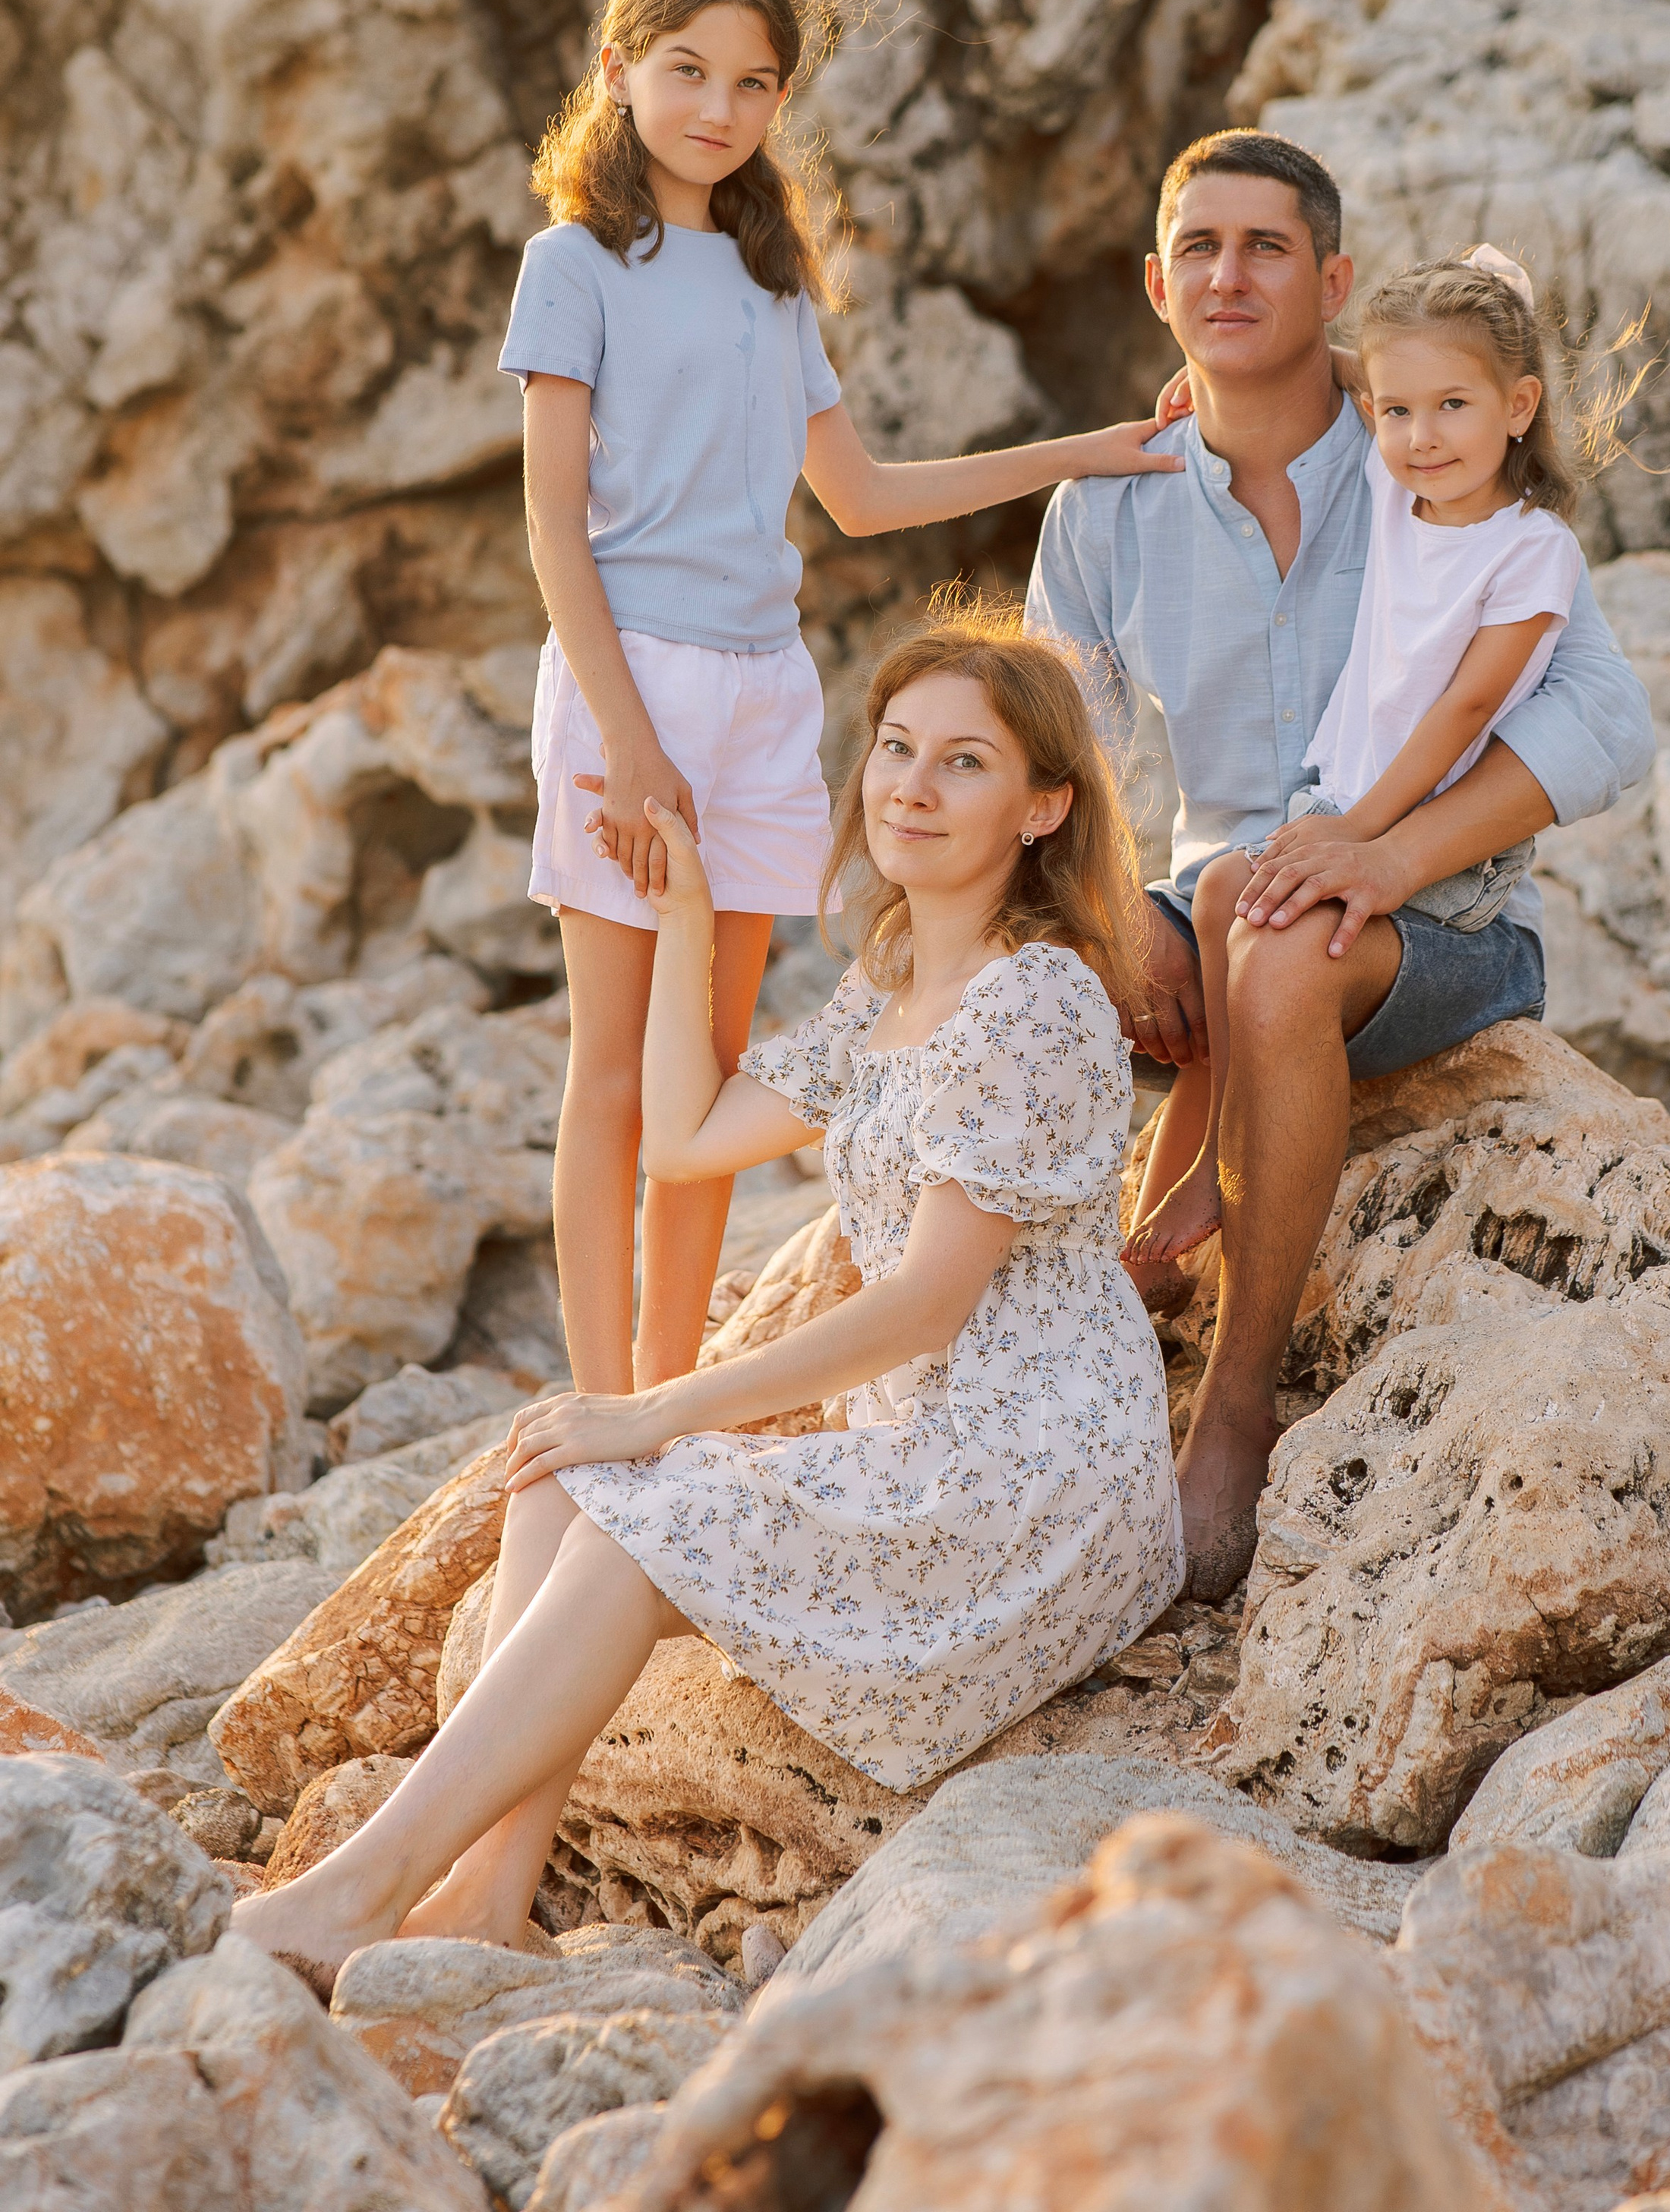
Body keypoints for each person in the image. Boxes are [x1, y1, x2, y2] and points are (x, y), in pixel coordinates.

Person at [232, 613, 1181, 1990]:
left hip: (1037, 1474)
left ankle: (353, 1891)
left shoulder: (1035, 1002)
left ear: (1045, 807)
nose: (909, 785)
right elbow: (682, 1134)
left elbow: (924, 1306)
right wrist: (686, 913)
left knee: (635, 1496)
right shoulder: (897, 980)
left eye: (963, 763)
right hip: (931, 1444)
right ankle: (491, 1896)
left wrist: (663, 1410)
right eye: (896, 748)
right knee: (557, 1472)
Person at [506, 0, 1181, 1400]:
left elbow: (863, 498)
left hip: (761, 696)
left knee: (715, 1064)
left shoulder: (769, 280)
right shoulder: (573, 264)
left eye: (754, 86)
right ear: (618, 69)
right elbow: (554, 527)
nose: (718, 111)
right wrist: (625, 739)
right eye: (687, 72)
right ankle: (600, 1403)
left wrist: (1092, 448)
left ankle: (667, 1404)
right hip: (630, 686)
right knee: (614, 1070)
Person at [1024, 130, 1655, 1599]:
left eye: (1267, 247)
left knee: (1289, 942)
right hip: (1223, 890)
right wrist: (1119, 931)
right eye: (1200, 248)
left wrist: (1383, 856)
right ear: (1157, 285)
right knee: (1096, 962)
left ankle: (1231, 1405)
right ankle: (1049, 1352)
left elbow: (1611, 728)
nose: (1229, 274)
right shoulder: (1109, 505)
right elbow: (1065, 764)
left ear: (1335, 281)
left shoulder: (1427, 464)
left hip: (1438, 921)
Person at [1141, 245, 1591, 1271]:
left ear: (1518, 406)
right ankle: (1215, 1157)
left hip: (1431, 850)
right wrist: (1218, 377)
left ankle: (1232, 1169)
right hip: (1338, 802)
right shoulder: (1401, 494)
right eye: (1398, 414)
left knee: (1266, 928)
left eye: (1454, 408)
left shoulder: (1532, 548)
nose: (1421, 437)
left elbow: (1463, 708)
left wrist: (1361, 827)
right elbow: (1363, 369)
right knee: (1217, 898)